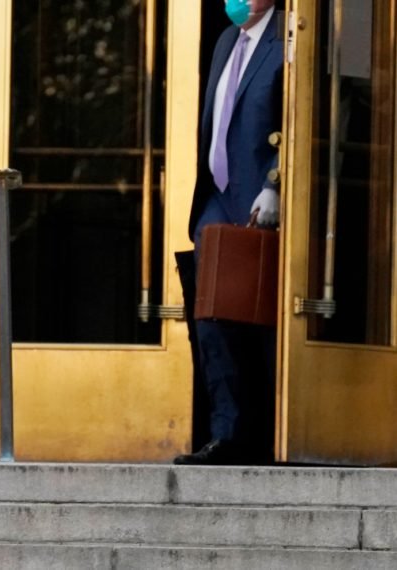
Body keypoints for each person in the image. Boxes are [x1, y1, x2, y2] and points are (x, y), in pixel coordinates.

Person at [176, 0, 283, 465]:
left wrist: (275, 183)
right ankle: (227, 434)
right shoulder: (226, 41)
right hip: (218, 198)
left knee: (262, 322)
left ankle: (276, 436)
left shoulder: (291, 39)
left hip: (266, 200)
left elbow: (311, 119)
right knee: (212, 319)